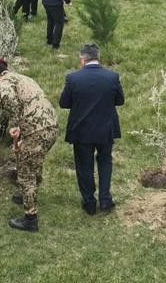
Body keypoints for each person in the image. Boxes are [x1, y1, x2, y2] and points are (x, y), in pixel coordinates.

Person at [0, 59, 58, 232]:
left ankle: (30, 219)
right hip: (51, 125)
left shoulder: (3, 82)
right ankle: (28, 196)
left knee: (25, 174)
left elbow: (11, 103)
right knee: (34, 161)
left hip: (35, 130)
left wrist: (16, 125)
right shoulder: (22, 78)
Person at [59, 44, 125, 215]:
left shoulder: (73, 78)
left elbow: (63, 103)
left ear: (82, 60)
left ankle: (89, 203)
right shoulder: (112, 77)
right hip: (105, 129)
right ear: (98, 57)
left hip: (82, 131)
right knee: (105, 162)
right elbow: (120, 100)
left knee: (84, 167)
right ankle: (105, 200)